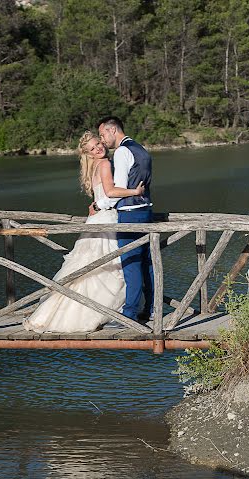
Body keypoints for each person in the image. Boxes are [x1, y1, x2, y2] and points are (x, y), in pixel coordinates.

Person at [22, 131, 145, 333]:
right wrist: (135, 192)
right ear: (88, 154)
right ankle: (104, 312)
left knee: (91, 267)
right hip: (106, 219)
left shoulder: (95, 166)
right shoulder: (105, 164)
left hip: (96, 219)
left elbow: (101, 194)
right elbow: (111, 192)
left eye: (98, 143)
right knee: (110, 266)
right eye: (92, 149)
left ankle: (88, 310)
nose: (98, 148)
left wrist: (96, 204)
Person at [98, 116, 154, 324]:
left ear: (113, 130)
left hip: (130, 214)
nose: (103, 139)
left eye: (103, 134)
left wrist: (99, 205)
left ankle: (129, 314)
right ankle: (151, 309)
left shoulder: (122, 152)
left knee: (131, 264)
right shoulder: (141, 148)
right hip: (146, 211)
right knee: (148, 263)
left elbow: (118, 190)